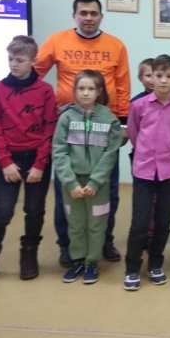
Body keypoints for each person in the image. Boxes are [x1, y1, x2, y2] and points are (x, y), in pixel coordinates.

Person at [28, 0, 129, 267]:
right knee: (67, 187)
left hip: (104, 126)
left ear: (101, 16)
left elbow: (122, 85)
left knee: (106, 189)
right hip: (68, 124)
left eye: (93, 13)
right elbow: (33, 73)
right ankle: (68, 245)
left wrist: (123, 123)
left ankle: (104, 240)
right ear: (74, 15)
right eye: (83, 13)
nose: (88, 18)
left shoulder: (116, 45)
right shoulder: (57, 41)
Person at [0, 36, 57, 288]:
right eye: (11, 59)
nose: (13, 64)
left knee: (34, 210)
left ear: (33, 61)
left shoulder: (45, 91)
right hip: (9, 159)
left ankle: (29, 253)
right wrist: (5, 161)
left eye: (20, 60)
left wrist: (40, 164)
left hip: (37, 158)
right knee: (2, 210)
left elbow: (49, 128)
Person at [123, 54, 170, 291]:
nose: (163, 80)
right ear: (151, 77)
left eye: (168, 76)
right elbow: (134, 134)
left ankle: (155, 263)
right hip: (144, 171)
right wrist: (146, 153)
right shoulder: (139, 106)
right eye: (158, 75)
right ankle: (132, 267)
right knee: (140, 222)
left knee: (163, 222)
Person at [53, 71, 122, 285]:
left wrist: (95, 182)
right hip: (72, 184)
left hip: (98, 185)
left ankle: (92, 262)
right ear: (74, 91)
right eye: (81, 88)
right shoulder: (66, 118)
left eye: (91, 89)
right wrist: (70, 182)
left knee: (96, 224)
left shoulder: (109, 119)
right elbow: (59, 151)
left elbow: (111, 154)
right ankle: (78, 261)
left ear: (99, 91)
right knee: (75, 223)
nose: (85, 93)